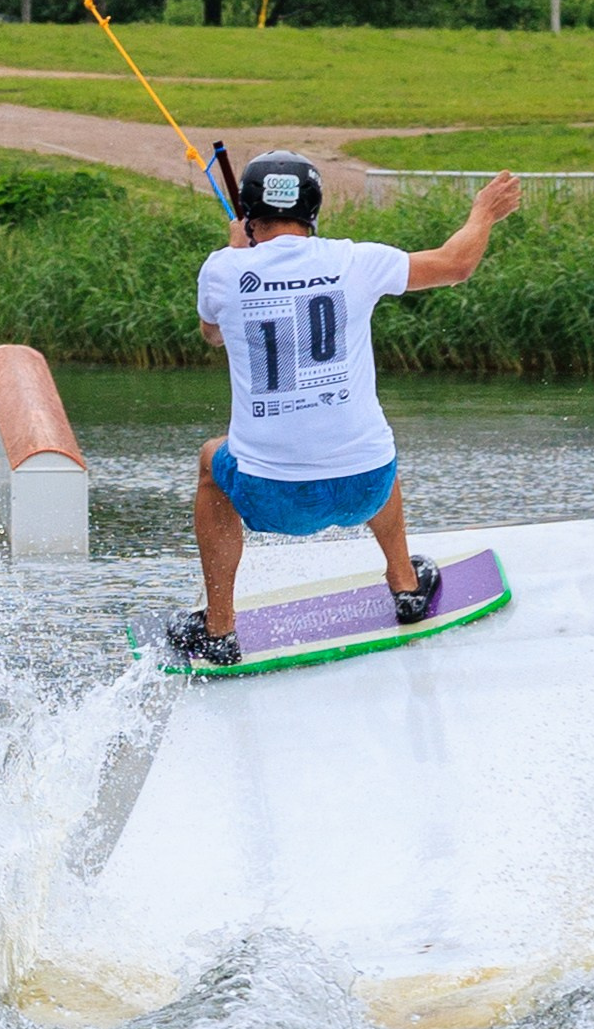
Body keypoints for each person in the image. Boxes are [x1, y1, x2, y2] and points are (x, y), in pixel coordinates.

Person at [169, 152, 522, 669]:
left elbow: (212, 335)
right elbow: (456, 264)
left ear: (247, 211)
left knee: (210, 460)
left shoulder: (223, 271)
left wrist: (233, 250)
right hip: (365, 488)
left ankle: (219, 629)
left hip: (272, 502)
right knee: (369, 434)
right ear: (313, 209)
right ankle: (405, 586)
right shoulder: (356, 261)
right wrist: (484, 212)